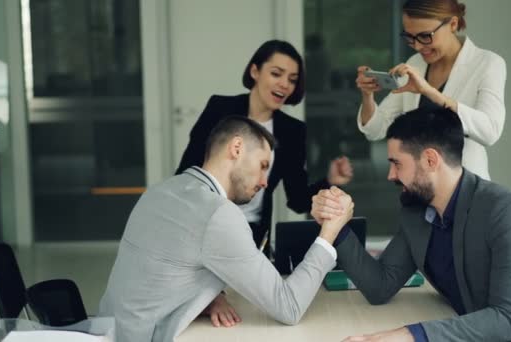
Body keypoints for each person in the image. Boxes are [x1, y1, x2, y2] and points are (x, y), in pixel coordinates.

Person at [99, 116, 355, 342]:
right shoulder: (218, 214)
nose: (266, 182)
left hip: (108, 331)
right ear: (236, 148)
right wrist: (330, 232)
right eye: (263, 166)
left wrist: (209, 295)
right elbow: (289, 307)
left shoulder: (160, 191)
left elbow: (161, 273)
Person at [312, 107, 511, 341]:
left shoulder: (506, 212)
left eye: (397, 164)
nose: (391, 175)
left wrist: (409, 335)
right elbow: (380, 286)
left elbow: (507, 320)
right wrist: (336, 226)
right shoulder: (417, 212)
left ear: (430, 160)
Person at [176, 39, 353, 250]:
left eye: (292, 79)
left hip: (252, 237)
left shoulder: (292, 131)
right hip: (204, 228)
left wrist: (331, 180)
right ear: (255, 71)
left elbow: (297, 200)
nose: (285, 84)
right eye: (276, 74)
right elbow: (186, 173)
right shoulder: (220, 109)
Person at [356, 0, 506, 180]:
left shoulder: (487, 63)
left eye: (425, 36)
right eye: (410, 37)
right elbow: (375, 129)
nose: (418, 46)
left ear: (452, 24)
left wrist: (430, 92)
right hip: (417, 188)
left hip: (465, 191)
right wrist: (367, 95)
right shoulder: (415, 63)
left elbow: (490, 131)